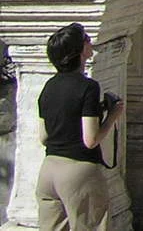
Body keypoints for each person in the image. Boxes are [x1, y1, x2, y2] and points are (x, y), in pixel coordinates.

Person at [36, 23, 122, 231]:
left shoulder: (48, 87)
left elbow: (44, 137)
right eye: (86, 39)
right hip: (79, 171)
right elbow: (90, 140)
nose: (90, 41)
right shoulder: (88, 87)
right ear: (80, 51)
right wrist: (112, 116)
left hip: (48, 171)